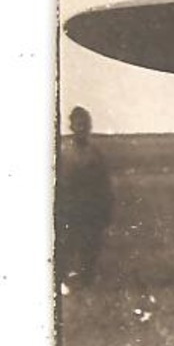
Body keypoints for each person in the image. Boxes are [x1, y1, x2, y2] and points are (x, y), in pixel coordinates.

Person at [55, 105, 114, 289]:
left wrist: (106, 208)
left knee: (90, 246)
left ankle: (86, 281)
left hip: (91, 208)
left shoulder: (95, 153)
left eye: (85, 124)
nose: (82, 128)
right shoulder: (63, 152)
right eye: (78, 124)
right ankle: (62, 282)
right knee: (66, 246)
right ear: (71, 126)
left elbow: (104, 182)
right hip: (69, 208)